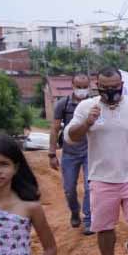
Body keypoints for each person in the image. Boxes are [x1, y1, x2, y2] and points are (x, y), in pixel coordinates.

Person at [65, 67, 128, 255]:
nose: (111, 91)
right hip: (101, 177)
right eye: (106, 88)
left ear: (121, 85)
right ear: (98, 86)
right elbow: (70, 138)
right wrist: (87, 124)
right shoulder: (87, 107)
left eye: (115, 87)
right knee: (103, 227)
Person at [48, 73, 93, 235]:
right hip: (70, 152)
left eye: (84, 87)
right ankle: (75, 211)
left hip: (91, 152)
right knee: (69, 188)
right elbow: (54, 129)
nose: (82, 90)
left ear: (90, 86)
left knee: (90, 187)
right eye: (78, 87)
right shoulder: (63, 104)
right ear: (72, 86)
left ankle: (89, 219)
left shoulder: (94, 104)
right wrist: (52, 153)